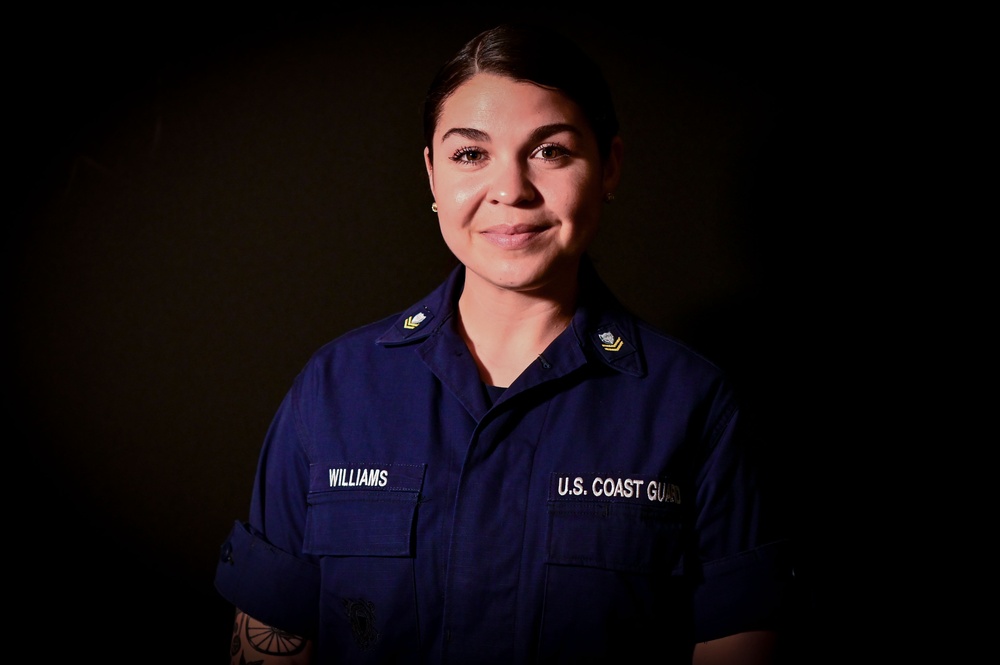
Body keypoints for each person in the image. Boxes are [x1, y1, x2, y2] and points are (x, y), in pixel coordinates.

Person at [214, 21, 796, 664]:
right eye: (471, 154)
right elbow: (269, 640)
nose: (511, 189)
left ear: (610, 165)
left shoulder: (695, 405)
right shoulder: (333, 390)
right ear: (432, 175)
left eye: (551, 151)